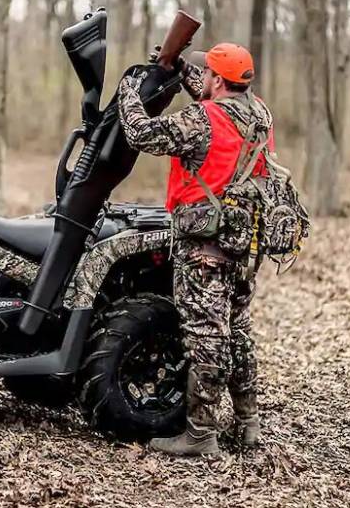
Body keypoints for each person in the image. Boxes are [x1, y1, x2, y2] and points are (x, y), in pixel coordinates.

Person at [117, 43, 274, 456]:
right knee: (238, 331)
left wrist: (128, 93)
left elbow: (142, 133)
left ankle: (200, 435)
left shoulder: (203, 118)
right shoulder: (259, 115)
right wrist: (182, 67)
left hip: (203, 247)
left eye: (207, 73)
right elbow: (215, 106)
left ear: (218, 80)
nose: (202, 78)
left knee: (206, 336)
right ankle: (248, 423)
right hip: (244, 245)